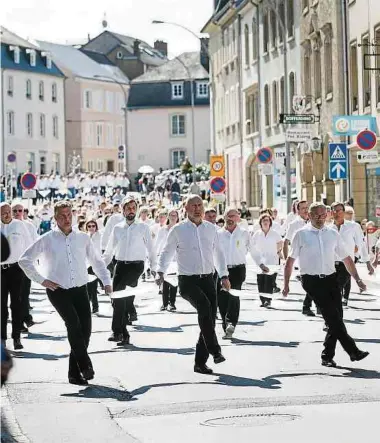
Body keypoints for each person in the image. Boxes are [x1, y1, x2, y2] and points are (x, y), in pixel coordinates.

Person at [19, 201, 112, 385]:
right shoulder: (47, 238)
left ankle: (74, 373)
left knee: (85, 331)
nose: (67, 219)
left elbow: (97, 261)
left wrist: (107, 281)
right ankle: (85, 365)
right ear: (55, 218)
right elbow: (24, 260)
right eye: (62, 216)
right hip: (58, 290)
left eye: (69, 215)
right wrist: (42, 280)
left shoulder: (83, 238)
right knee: (73, 324)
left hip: (80, 289)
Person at [283, 202, 369, 367]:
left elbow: (347, 258)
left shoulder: (332, 234)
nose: (320, 218)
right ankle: (353, 351)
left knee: (337, 317)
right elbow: (290, 260)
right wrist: (286, 284)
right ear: (309, 215)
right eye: (316, 215)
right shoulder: (301, 234)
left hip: (331, 278)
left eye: (323, 215)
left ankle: (327, 356)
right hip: (311, 280)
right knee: (331, 316)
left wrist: (357, 279)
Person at [156, 195, 230, 375]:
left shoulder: (211, 229)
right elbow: (167, 252)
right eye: (193, 206)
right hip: (187, 280)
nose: (197, 209)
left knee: (210, 318)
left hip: (208, 278)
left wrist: (224, 275)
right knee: (204, 307)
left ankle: (200, 363)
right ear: (186, 209)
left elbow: (218, 254)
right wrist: (160, 271)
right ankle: (215, 350)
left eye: (200, 205)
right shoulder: (178, 230)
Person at [103, 197, 156, 345]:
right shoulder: (117, 228)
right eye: (128, 208)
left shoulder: (143, 227)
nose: (131, 210)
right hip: (120, 265)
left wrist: (154, 268)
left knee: (121, 297)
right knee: (117, 298)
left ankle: (117, 331)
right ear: (123, 210)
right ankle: (123, 334)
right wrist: (100, 269)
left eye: (133, 208)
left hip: (136, 266)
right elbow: (109, 250)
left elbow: (151, 249)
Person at [216, 208, 252, 339]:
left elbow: (252, 249)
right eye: (228, 216)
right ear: (224, 217)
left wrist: (261, 264)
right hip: (221, 270)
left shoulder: (244, 233)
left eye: (234, 216)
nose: (231, 218)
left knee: (234, 295)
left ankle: (231, 322)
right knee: (222, 299)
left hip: (238, 269)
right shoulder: (218, 234)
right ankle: (226, 325)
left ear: (238, 218)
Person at [330, 202, 373, 307]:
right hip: (331, 264)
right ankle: (333, 313)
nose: (337, 213)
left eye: (339, 210)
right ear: (331, 213)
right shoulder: (328, 228)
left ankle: (333, 312)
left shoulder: (353, 227)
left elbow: (361, 245)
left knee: (338, 287)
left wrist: (368, 262)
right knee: (333, 289)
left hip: (347, 263)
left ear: (343, 212)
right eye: (334, 210)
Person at [1, 203, 31, 350]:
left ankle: (16, 337)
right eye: (3, 213)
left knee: (16, 305)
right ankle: (2, 339)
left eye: (8, 212)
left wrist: (28, 266)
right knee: (1, 307)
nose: (6, 215)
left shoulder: (19, 225)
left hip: (16, 269)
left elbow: (29, 246)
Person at [283, 200, 315, 317]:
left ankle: (309, 306)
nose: (306, 210)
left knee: (315, 282)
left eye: (307, 207)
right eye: (303, 208)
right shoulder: (294, 225)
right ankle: (309, 306)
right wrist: (286, 260)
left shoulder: (314, 221)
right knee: (311, 282)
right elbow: (286, 242)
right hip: (301, 260)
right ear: (298, 210)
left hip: (315, 256)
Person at [12, 202, 38, 332]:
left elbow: (35, 244)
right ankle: (22, 322)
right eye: (14, 211)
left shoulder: (29, 226)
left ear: (24, 212)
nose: (17, 213)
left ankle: (26, 318)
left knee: (25, 294)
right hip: (11, 266)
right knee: (17, 296)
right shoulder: (7, 226)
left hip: (26, 265)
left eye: (20, 211)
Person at [251, 213, 283, 308]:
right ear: (260, 223)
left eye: (267, 220)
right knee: (260, 281)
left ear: (270, 223)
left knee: (268, 281)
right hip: (260, 262)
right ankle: (262, 300)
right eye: (263, 220)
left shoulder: (274, 233)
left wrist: (278, 252)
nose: (265, 222)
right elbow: (252, 246)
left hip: (272, 261)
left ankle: (268, 300)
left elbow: (280, 243)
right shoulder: (257, 234)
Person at [155, 209, 180, 311]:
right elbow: (157, 243)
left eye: (175, 215)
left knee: (174, 281)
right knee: (165, 281)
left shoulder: (180, 229)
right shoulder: (163, 230)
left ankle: (172, 303)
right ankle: (164, 303)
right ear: (168, 217)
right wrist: (155, 255)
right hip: (165, 257)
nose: (173, 217)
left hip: (176, 258)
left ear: (178, 217)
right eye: (171, 215)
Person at [85, 220, 102, 315]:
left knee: (93, 287)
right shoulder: (85, 236)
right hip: (86, 264)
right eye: (89, 226)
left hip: (95, 264)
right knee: (87, 288)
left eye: (93, 226)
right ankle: (89, 306)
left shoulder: (99, 235)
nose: (91, 228)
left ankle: (95, 307)